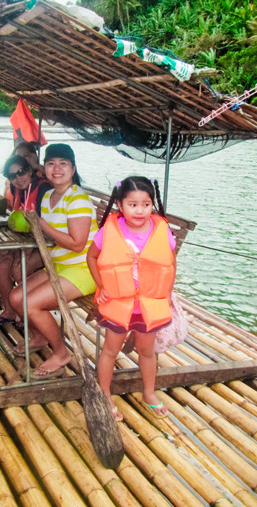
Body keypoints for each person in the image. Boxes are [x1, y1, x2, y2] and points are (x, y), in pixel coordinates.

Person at [86, 176, 176, 421]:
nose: (140, 210)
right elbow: (92, 257)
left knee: (147, 352)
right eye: (133, 204)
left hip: (149, 305)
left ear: (152, 205)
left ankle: (149, 393)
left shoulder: (161, 229)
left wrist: (167, 292)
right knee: (110, 350)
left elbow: (170, 261)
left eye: (146, 205)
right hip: (117, 303)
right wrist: (101, 284)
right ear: (120, 204)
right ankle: (105, 393)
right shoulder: (109, 231)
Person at [8, 144, 98, 378]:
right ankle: (38, 336)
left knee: (31, 304)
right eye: (51, 163)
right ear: (44, 168)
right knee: (16, 297)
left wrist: (41, 224)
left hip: (83, 269)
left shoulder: (77, 199)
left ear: (73, 168)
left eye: (63, 163)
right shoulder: (48, 195)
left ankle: (61, 353)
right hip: (59, 264)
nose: (56, 168)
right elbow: (49, 239)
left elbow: (77, 244)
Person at [0, 155, 52, 326]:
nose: (18, 178)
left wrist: (26, 250)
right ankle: (9, 311)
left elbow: (47, 226)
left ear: (30, 170)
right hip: (27, 240)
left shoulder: (44, 189)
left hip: (48, 243)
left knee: (19, 269)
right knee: (3, 262)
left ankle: (28, 313)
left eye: (21, 172)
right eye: (12, 176)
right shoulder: (18, 189)